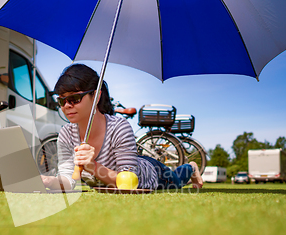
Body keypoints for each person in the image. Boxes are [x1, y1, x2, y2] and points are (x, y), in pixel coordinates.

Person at [41, 64, 203, 191]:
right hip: (125, 170)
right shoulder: (66, 134)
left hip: (152, 174)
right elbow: (68, 181)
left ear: (96, 96)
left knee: (176, 181)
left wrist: (93, 166)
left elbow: (129, 181)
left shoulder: (119, 127)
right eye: (62, 100)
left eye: (75, 98)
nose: (67, 106)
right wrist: (48, 181)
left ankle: (191, 167)